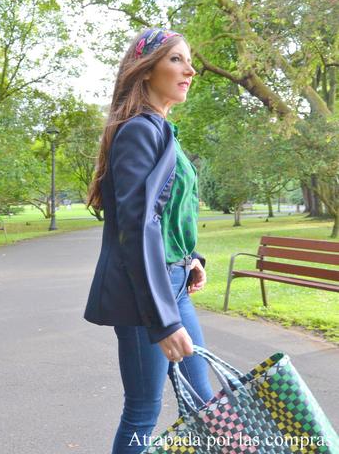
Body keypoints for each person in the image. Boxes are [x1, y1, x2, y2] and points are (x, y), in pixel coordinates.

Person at [84, 27, 214, 453]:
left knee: (203, 404)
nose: (190, 69)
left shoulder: (162, 130)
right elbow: (138, 227)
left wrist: (190, 256)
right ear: (145, 70)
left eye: (189, 60)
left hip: (173, 285)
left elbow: (167, 213)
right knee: (142, 409)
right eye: (177, 59)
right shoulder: (140, 131)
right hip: (147, 298)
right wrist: (163, 320)